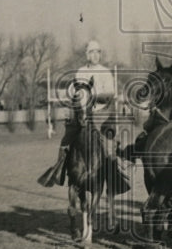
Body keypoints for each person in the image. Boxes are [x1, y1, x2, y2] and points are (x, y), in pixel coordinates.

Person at [38, 40, 130, 192]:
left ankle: (114, 180)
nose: (95, 55)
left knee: (107, 146)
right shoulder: (81, 72)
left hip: (101, 113)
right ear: (87, 55)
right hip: (82, 111)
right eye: (92, 52)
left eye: (98, 52)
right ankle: (59, 171)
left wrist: (94, 95)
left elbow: (110, 94)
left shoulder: (105, 72)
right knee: (66, 139)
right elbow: (77, 92)